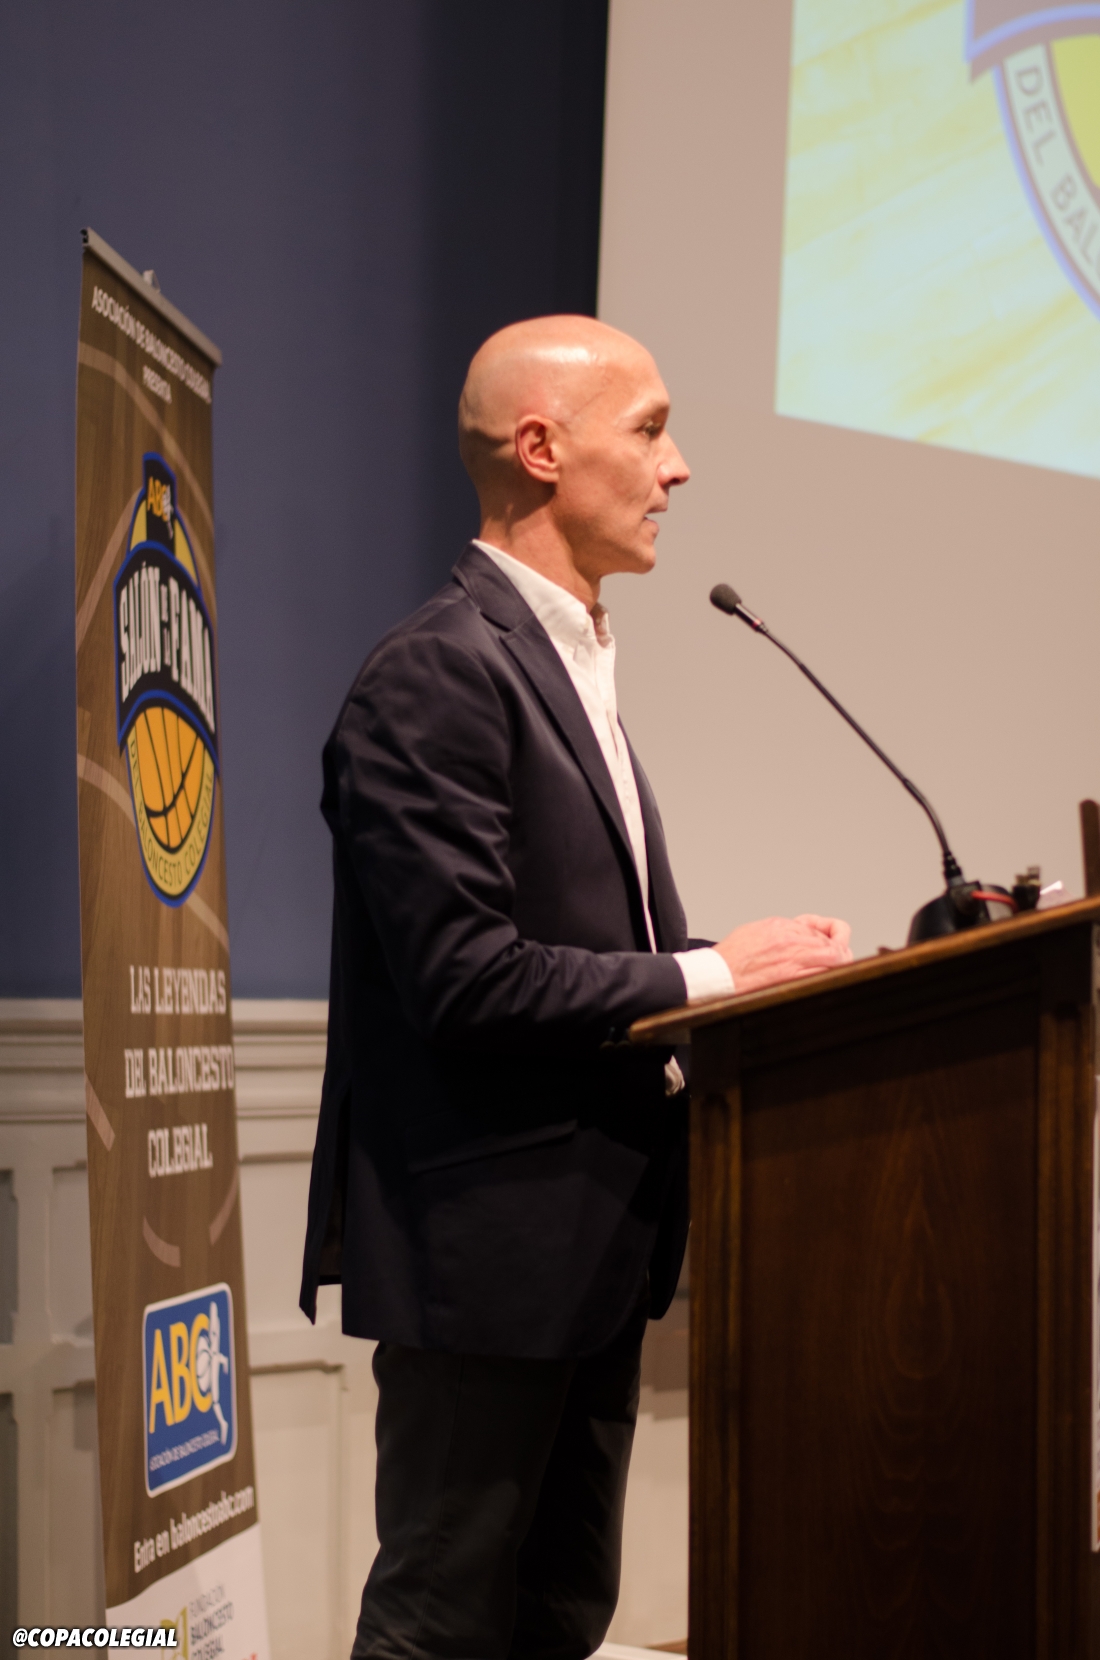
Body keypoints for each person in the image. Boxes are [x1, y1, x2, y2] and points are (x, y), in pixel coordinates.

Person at [300, 315, 851, 1659]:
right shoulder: (436, 671)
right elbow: (462, 977)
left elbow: (584, 938)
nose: (678, 467)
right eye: (650, 429)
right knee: (441, 1618)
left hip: (592, 1241)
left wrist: (747, 981)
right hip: (487, 1251)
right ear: (541, 450)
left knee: (558, 1613)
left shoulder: (571, 661)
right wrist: (715, 970)